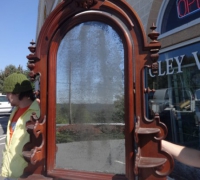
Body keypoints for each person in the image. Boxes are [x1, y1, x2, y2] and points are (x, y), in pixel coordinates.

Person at [0, 72, 40, 180]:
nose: (7, 96)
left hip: (24, 175)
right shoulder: (15, 110)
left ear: (17, 93)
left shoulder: (37, 112)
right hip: (10, 173)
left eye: (8, 93)